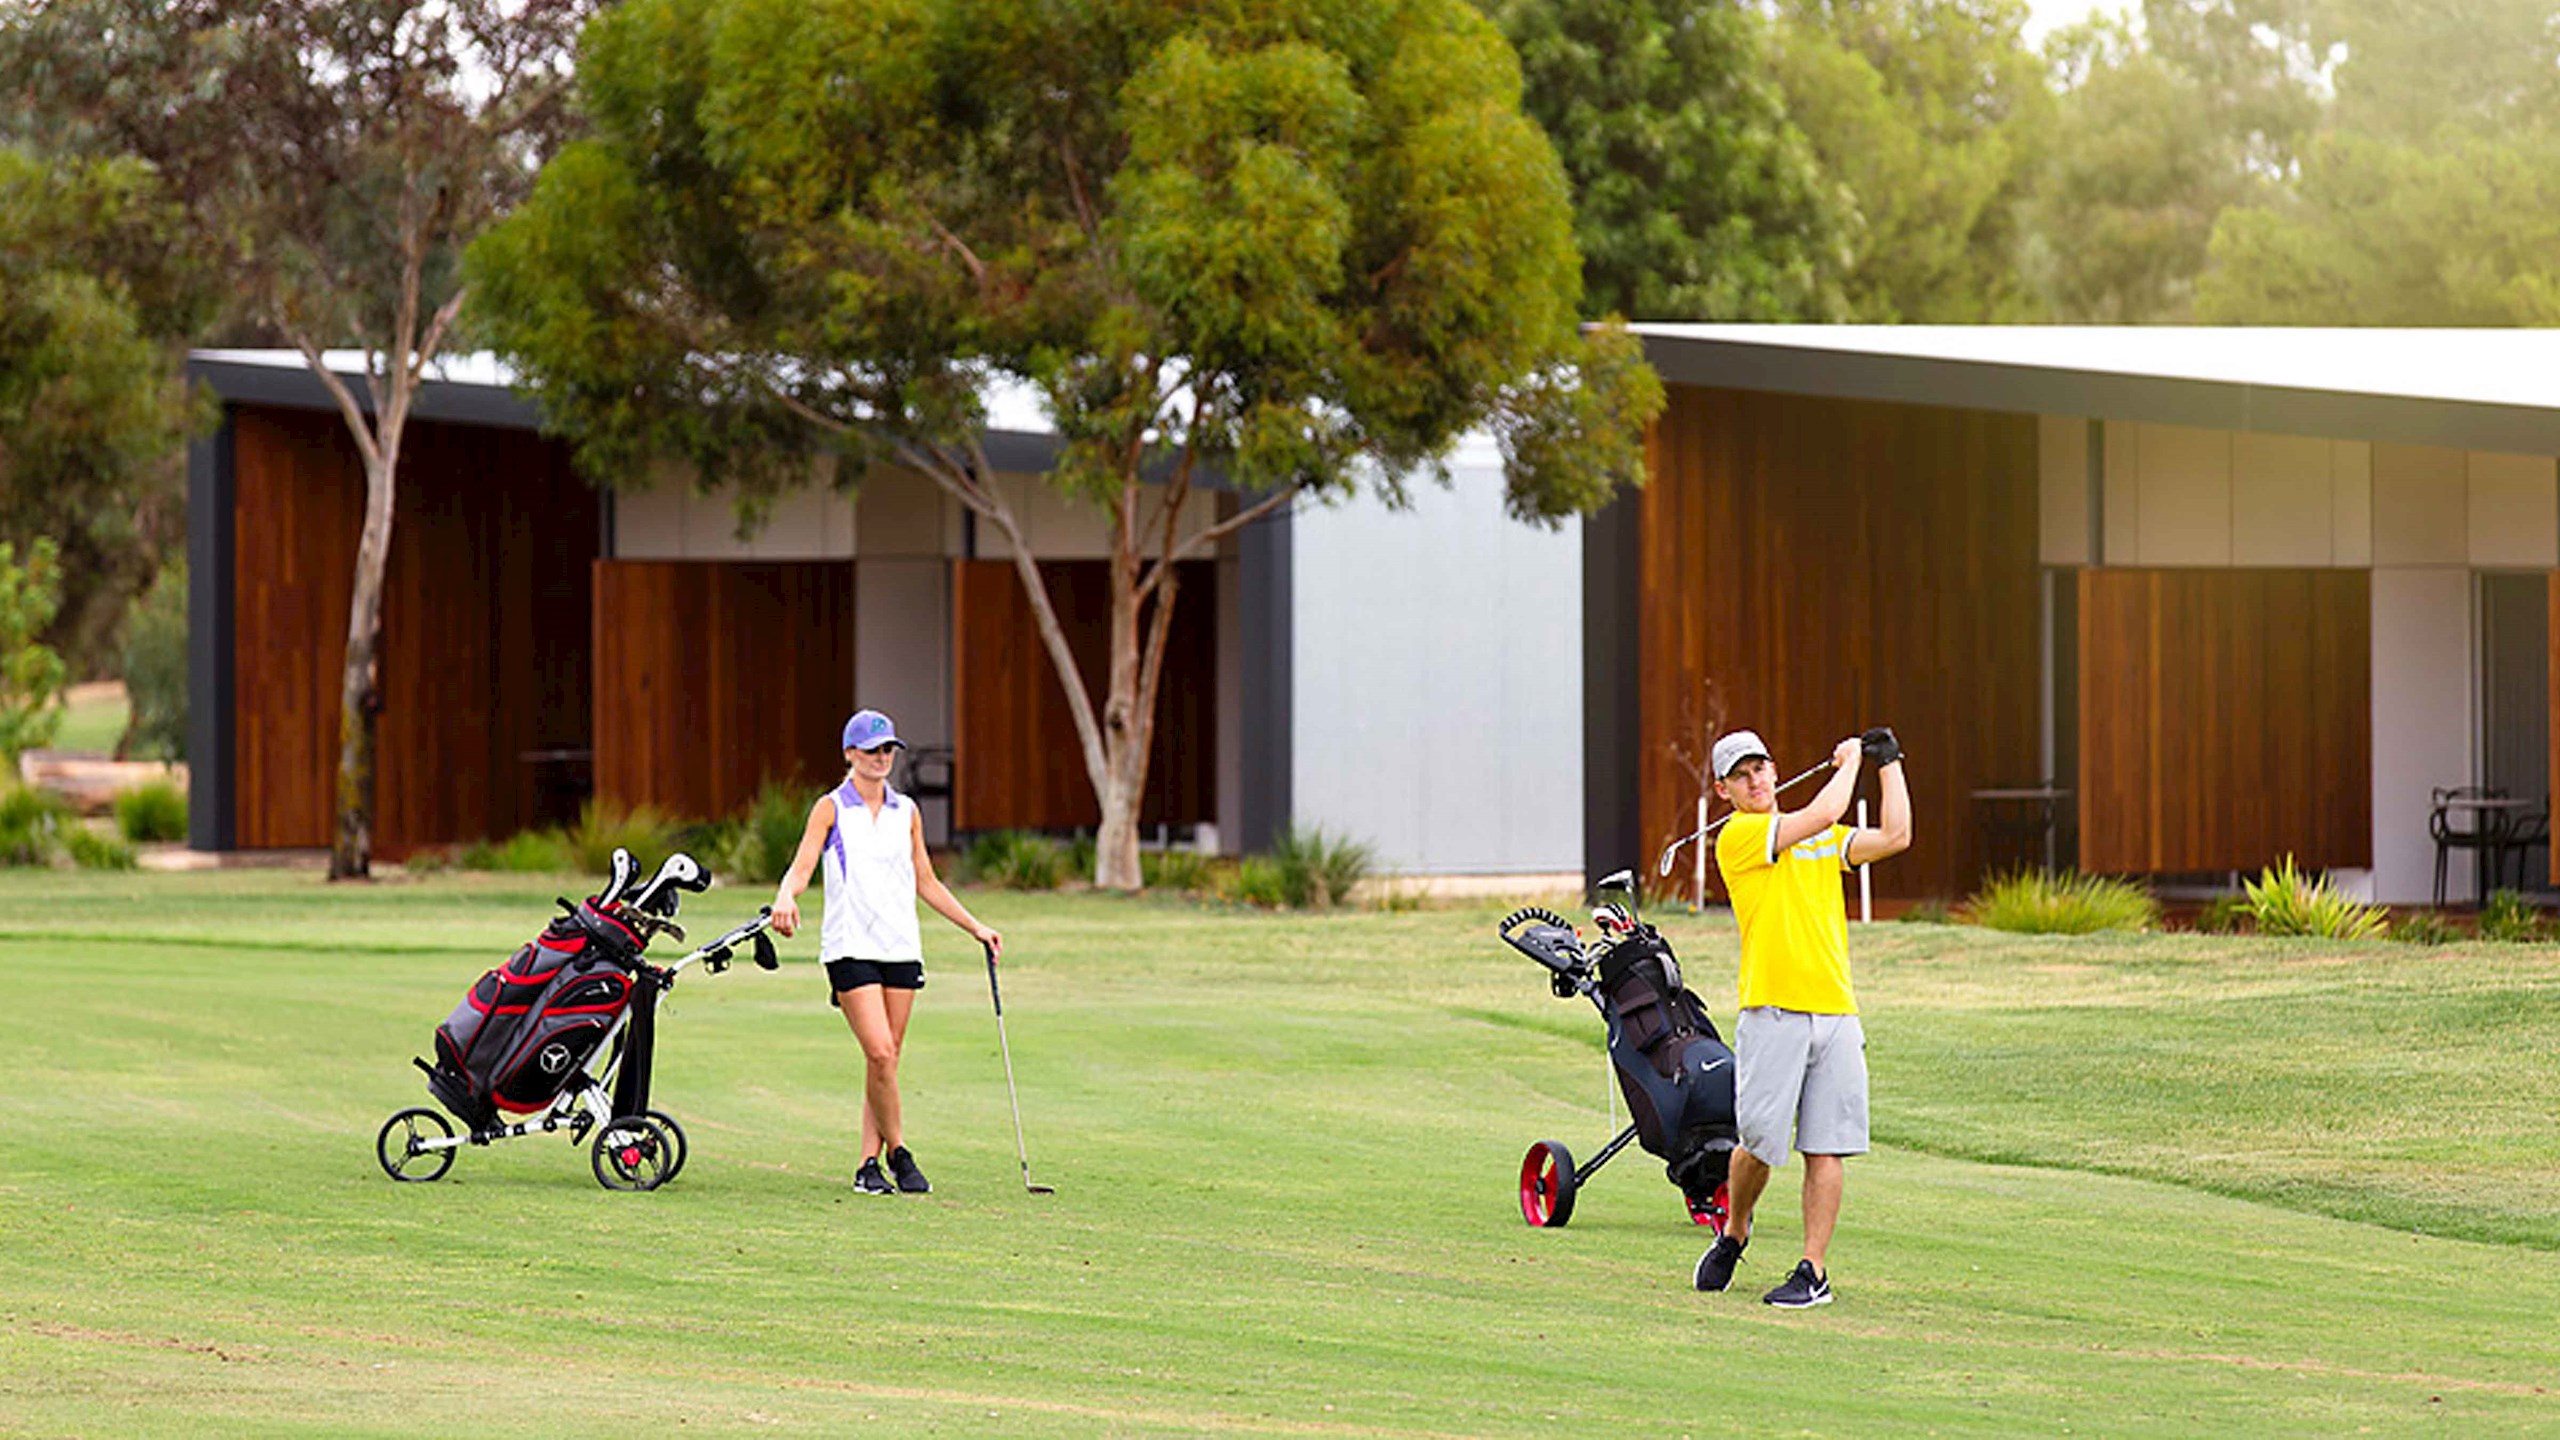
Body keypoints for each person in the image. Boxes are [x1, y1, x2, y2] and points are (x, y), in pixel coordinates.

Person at [1692, 725, 1909, 1307]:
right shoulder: (1740, 837)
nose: (1755, 780)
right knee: (1759, 1143)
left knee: (1826, 1145)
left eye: (1761, 768)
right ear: (1724, 790)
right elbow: (1822, 810)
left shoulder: (1819, 839)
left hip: (1835, 1010)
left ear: (1773, 769)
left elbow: (1895, 835)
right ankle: (1735, 1229)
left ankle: (1812, 1271)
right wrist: (1851, 761)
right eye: (1741, 775)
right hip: (1772, 1011)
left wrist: (1889, 763)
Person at [772, 708, 1002, 1196]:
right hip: (849, 945)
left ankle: (866, 1166)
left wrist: (976, 927)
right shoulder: (830, 807)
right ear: (850, 754)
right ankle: (900, 1151)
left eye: (887, 750)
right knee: (878, 1049)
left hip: (900, 944)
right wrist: (785, 896)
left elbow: (927, 882)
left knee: (887, 1061)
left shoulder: (907, 812)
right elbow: (803, 864)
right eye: (872, 750)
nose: (881, 758)